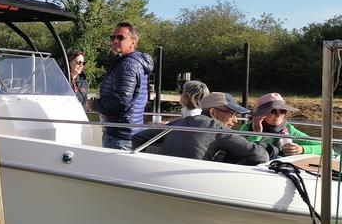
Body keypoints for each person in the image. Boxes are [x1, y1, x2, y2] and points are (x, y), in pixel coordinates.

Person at [132, 92, 269, 165]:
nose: (235, 119)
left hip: (160, 182)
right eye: (232, 114)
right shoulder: (216, 128)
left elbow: (137, 138)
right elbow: (261, 156)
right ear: (213, 112)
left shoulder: (177, 123)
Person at [87, 23, 154, 150]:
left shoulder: (127, 65)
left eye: (120, 38)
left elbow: (120, 101)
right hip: (130, 132)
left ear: (132, 42)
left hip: (120, 136)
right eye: (113, 37)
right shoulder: (132, 61)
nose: (115, 41)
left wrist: (93, 105)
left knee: (111, 170)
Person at [238, 92, 320, 157]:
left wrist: (302, 149)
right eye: (273, 111)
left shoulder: (289, 129)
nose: (279, 115)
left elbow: (328, 149)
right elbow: (242, 152)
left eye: (283, 111)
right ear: (261, 114)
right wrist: (257, 133)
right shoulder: (247, 128)